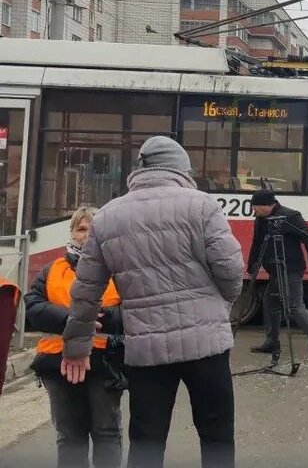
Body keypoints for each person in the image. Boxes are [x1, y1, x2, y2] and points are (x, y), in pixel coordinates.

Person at [60, 136, 245, 468]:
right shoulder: (202, 205)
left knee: (146, 440)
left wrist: (76, 347)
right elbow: (231, 270)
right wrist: (220, 308)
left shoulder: (107, 217)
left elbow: (86, 290)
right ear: (181, 169)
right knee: (216, 434)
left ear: (140, 169)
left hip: (145, 350)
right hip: (208, 346)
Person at [25, 206, 124, 468]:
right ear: (71, 233)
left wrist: (105, 317)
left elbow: (134, 311)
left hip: (104, 362)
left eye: (93, 229)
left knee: (106, 434)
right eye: (81, 229)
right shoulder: (52, 270)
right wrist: (73, 318)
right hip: (57, 363)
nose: (87, 234)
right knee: (69, 436)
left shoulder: (119, 269)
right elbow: (32, 308)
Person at [246, 189, 308, 362]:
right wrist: (252, 266)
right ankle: (271, 341)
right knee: (270, 302)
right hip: (274, 270)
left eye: (255, 207)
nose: (254, 210)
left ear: (267, 205)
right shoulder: (260, 219)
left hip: (290, 268)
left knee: (294, 305)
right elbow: (257, 242)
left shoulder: (290, 216)